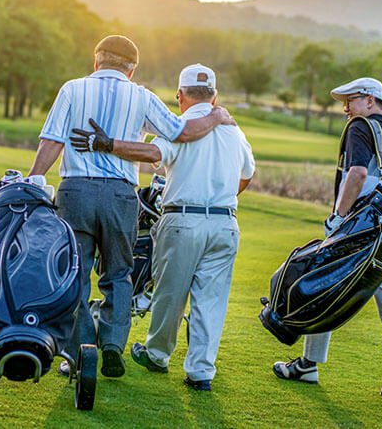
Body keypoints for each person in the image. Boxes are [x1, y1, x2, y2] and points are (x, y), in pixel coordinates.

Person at [27, 36, 234, 379]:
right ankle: (111, 345)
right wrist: (216, 117)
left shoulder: (73, 89)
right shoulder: (141, 96)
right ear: (132, 68)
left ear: (97, 62)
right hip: (121, 196)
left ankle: (80, 354)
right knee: (118, 275)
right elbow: (182, 132)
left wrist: (34, 177)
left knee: (73, 275)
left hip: (75, 192)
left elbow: (52, 139)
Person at [70, 63, 255, 392]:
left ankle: (157, 355)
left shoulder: (179, 126)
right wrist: (224, 195)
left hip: (182, 220)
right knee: (211, 301)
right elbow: (247, 173)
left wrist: (107, 144)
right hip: (226, 223)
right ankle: (200, 373)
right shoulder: (234, 131)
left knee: (170, 295)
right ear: (214, 96)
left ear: (180, 96)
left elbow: (152, 152)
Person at [272, 77, 382, 402]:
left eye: (350, 101)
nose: (345, 109)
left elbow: (358, 174)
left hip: (356, 228)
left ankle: (308, 365)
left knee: (325, 286)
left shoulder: (360, 126)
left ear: (369, 101)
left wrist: (338, 217)